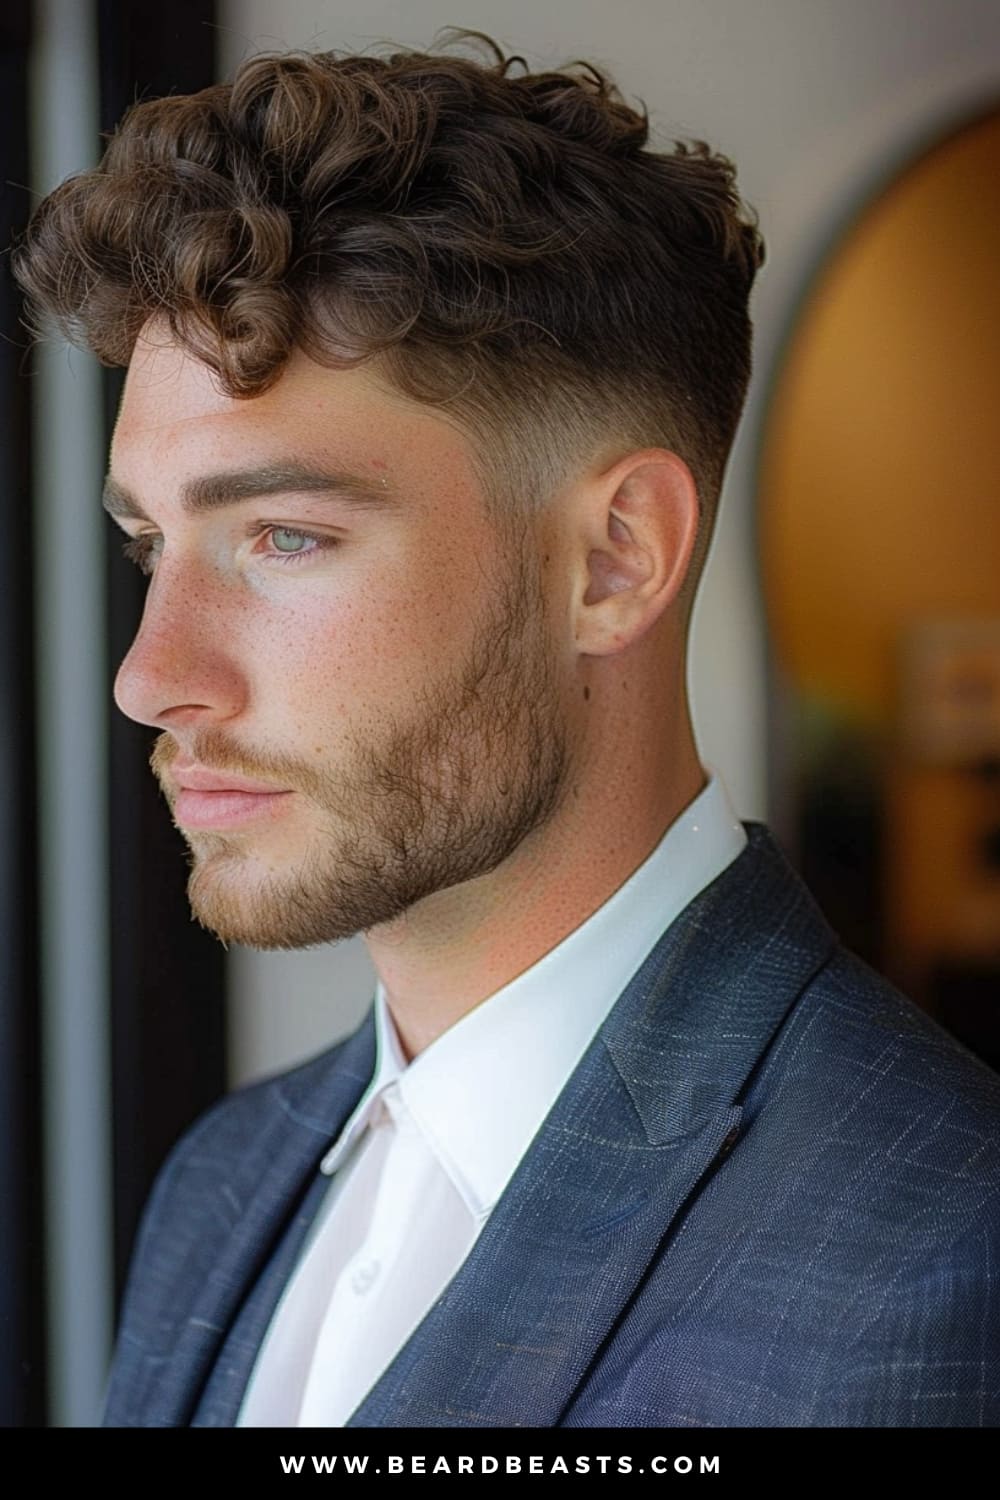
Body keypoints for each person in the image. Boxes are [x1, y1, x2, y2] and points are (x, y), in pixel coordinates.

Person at [14, 33, 999, 1429]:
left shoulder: (935, 1257)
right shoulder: (222, 1179)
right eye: (149, 549)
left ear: (613, 561)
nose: (149, 677)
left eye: (284, 536)